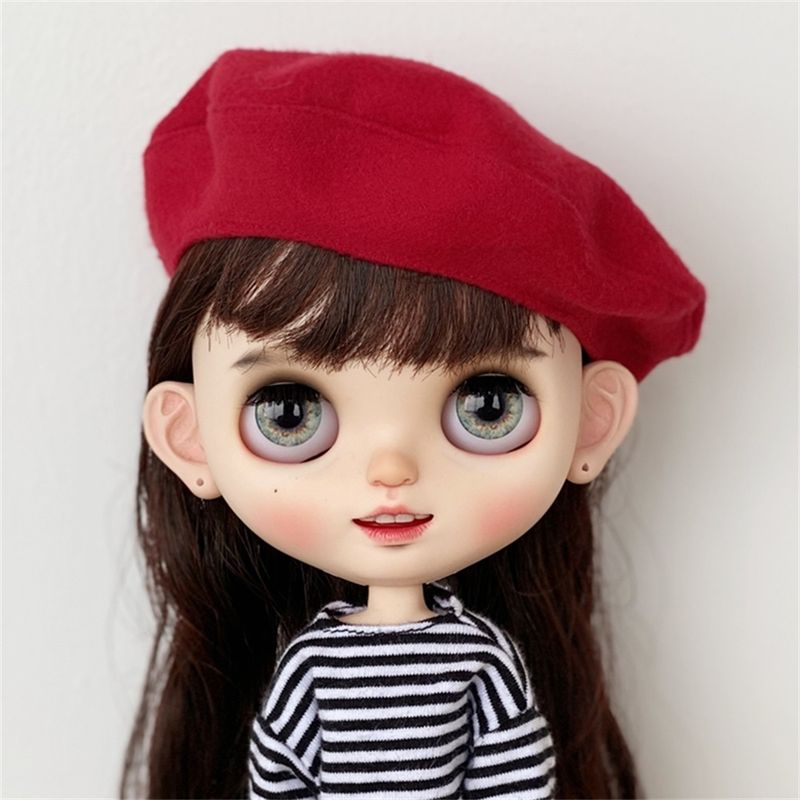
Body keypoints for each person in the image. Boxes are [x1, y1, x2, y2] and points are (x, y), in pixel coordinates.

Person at [121, 49, 705, 799]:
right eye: (290, 413)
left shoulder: (480, 658)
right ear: (189, 437)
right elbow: (280, 772)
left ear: (591, 424)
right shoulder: (311, 668)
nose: (391, 470)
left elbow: (515, 772)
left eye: (487, 407)